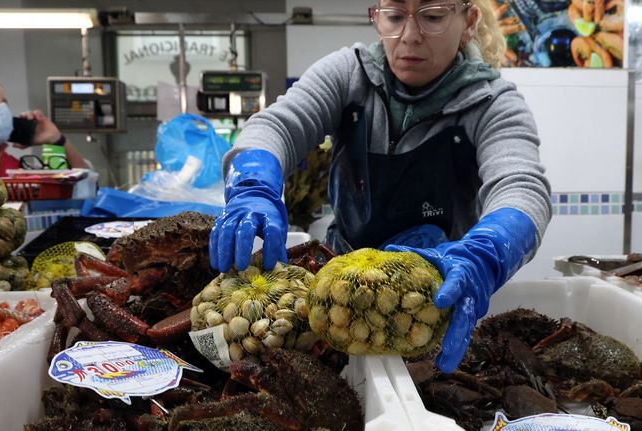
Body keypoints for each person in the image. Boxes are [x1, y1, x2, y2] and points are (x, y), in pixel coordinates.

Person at [210, 0, 552, 373]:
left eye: (433, 17)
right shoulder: (348, 74)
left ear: (468, 22)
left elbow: (522, 187)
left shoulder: (493, 104)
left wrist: (484, 256)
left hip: (431, 309)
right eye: (394, 16)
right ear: (377, 18)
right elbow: (277, 126)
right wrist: (253, 185)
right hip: (339, 303)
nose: (409, 36)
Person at [0, 61, 90, 177]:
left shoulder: (8, 167)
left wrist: (56, 139)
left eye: (4, 104)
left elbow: (85, 186)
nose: (2, 111)